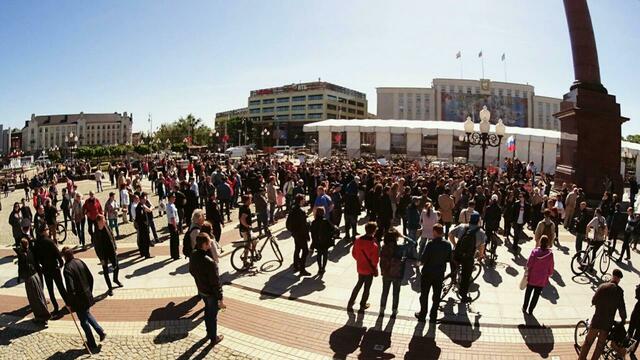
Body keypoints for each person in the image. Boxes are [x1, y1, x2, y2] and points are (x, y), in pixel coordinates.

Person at [61, 247, 106, 353]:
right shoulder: (80, 261)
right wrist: (89, 290)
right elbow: (90, 278)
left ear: (64, 256)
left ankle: (91, 343)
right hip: (87, 295)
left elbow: (70, 289)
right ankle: (100, 332)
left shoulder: (67, 269)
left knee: (83, 321)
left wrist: (69, 303)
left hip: (79, 300)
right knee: (87, 314)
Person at [578, 269, 627, 360]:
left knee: (588, 342)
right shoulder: (619, 291)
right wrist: (623, 319)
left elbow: (594, 300)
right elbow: (622, 308)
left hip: (597, 320)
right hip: (607, 323)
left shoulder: (602, 286)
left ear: (613, 276)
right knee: (600, 346)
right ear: (619, 279)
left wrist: (597, 305)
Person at [189, 234, 225, 345]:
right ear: (204, 244)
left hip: (202, 290)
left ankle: (209, 333)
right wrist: (220, 297)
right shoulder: (209, 262)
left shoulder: (193, 255)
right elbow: (215, 282)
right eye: (209, 243)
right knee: (212, 315)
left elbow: (191, 271)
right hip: (210, 293)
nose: (210, 245)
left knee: (207, 311)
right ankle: (213, 338)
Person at [415, 223, 451, 323]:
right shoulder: (447, 244)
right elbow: (449, 259)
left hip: (427, 273)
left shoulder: (430, 244)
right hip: (439, 274)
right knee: (436, 296)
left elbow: (423, 259)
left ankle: (422, 315)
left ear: (435, 232)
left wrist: (418, 264)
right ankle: (433, 316)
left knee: (424, 295)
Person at [449, 212, 486, 302]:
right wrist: (481, 255)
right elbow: (481, 246)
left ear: (469, 219)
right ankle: (463, 295)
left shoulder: (462, 226)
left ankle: (453, 279)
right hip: (468, 257)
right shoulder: (481, 232)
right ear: (478, 221)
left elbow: (450, 234)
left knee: (453, 264)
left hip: (457, 253)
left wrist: (454, 244)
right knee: (466, 277)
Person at [15, 238, 51, 325]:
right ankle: (44, 314)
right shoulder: (30, 252)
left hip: (29, 278)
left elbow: (21, 266)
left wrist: (19, 277)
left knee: (33, 298)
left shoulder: (22, 255)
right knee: (40, 295)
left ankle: (40, 317)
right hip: (36, 275)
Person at [33, 226, 67, 316]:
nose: (48, 231)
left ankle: (55, 307)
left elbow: (35, 258)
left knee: (50, 290)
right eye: (47, 229)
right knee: (61, 287)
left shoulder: (37, 243)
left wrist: (40, 267)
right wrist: (61, 263)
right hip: (54, 268)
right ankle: (68, 303)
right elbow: (57, 253)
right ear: (43, 231)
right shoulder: (49, 241)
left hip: (45, 269)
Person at [347, 222, 379, 312]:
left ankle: (351, 302)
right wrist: (375, 269)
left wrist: (360, 260)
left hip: (360, 267)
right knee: (367, 287)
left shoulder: (357, 240)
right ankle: (363, 304)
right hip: (369, 270)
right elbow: (375, 260)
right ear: (374, 231)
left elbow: (354, 253)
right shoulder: (374, 245)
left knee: (358, 285)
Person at [522, 235, 554, 315]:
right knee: (536, 295)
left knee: (528, 293)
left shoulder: (535, 252)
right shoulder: (550, 254)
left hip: (532, 277)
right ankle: (531, 310)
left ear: (540, 242)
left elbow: (529, 264)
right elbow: (551, 266)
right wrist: (550, 273)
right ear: (547, 243)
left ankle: (524, 307)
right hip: (542, 279)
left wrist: (526, 269)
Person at [379, 229, 405, 316]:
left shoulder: (383, 248)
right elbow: (413, 243)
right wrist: (403, 236)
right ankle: (394, 310)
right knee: (396, 293)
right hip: (397, 274)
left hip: (386, 273)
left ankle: (382, 310)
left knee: (385, 292)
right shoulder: (399, 248)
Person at [93, 215, 121, 296]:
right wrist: (101, 259)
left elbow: (112, 237)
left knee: (117, 266)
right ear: (99, 222)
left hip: (111, 251)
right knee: (105, 271)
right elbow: (97, 248)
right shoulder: (96, 233)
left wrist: (115, 248)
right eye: (103, 219)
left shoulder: (106, 226)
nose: (105, 220)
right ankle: (110, 288)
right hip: (103, 254)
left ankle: (115, 279)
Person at [286, 193, 311, 276]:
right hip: (301, 234)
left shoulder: (293, 209)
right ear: (300, 200)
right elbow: (304, 225)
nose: (305, 200)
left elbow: (288, 223)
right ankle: (302, 269)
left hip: (295, 233)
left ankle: (296, 265)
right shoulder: (301, 211)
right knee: (305, 251)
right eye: (303, 199)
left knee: (297, 249)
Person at [310, 207, 336, 275]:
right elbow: (332, 229)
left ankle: (319, 268)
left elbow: (312, 231)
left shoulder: (314, 222)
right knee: (325, 255)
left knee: (319, 254)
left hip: (317, 241)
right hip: (326, 241)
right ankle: (323, 268)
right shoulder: (326, 221)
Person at [135, 192, 153, 259]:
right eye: (144, 199)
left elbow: (149, 210)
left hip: (143, 225)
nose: (145, 200)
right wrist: (145, 224)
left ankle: (143, 253)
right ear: (141, 199)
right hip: (143, 226)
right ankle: (146, 254)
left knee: (143, 240)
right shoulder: (140, 207)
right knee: (145, 240)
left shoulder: (142, 205)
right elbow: (140, 218)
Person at [166, 194, 180, 260]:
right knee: (175, 241)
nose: (175, 198)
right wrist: (175, 227)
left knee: (173, 240)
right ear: (170, 198)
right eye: (173, 197)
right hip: (173, 224)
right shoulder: (170, 206)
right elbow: (172, 218)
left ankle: (173, 254)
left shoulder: (172, 205)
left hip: (172, 224)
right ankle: (175, 255)